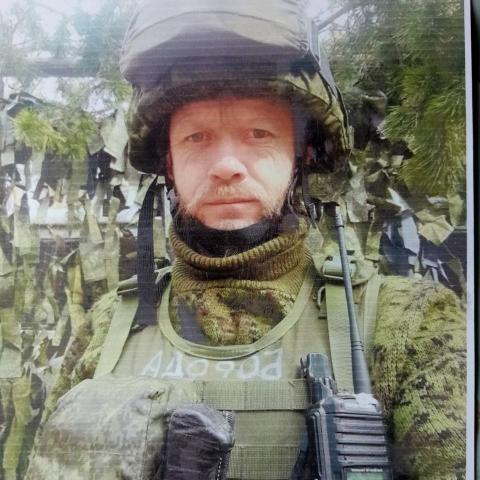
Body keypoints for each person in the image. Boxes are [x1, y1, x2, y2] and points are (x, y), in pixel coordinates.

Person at [27, 1, 466, 479]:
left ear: (301, 155)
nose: (226, 166)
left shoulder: (405, 326)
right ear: (169, 162)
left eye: (259, 133)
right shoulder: (107, 327)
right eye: (196, 138)